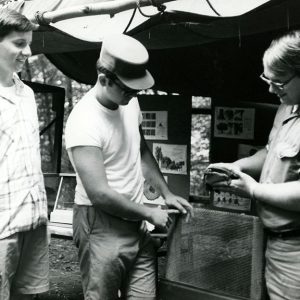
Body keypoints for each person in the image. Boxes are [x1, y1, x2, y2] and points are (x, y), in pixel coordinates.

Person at [65, 33, 193, 300]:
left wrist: (166, 194)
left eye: (137, 89)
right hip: (100, 223)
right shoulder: (84, 121)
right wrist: (148, 213)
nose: (134, 95)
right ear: (104, 80)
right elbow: (99, 194)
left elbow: (142, 151)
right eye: (128, 89)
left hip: (136, 221)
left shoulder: (129, 101)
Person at [205, 30, 300, 300]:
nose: (271, 89)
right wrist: (238, 165)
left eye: (279, 82)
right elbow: (271, 152)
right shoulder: (288, 106)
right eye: (267, 79)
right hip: (275, 242)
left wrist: (254, 190)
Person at [0, 8, 49, 300]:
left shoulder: (27, 94)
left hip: (34, 218)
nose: (27, 51)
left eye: (29, 43)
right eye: (19, 43)